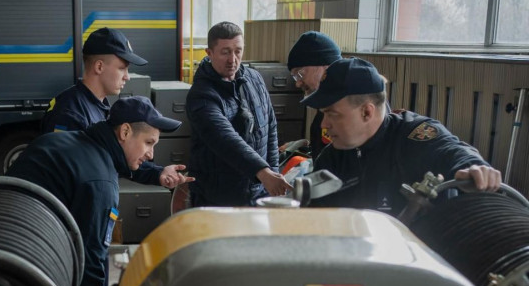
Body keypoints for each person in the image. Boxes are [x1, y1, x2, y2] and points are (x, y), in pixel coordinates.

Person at [8, 96, 187, 286]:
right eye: (148, 143)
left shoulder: (70, 142)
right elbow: (91, 260)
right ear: (125, 132)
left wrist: (156, 174)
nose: (151, 154)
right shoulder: (99, 181)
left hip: (5, 251)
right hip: (28, 272)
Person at [304, 57, 500, 215]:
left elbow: (453, 152)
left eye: (332, 114)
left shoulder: (414, 138)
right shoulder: (331, 160)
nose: (324, 124)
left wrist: (473, 168)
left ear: (367, 112)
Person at [41, 27, 188, 189]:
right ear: (99, 66)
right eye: (122, 68)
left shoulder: (97, 105)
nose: (127, 76)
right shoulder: (71, 113)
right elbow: (64, 179)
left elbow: (118, 156)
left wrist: (158, 173)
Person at [185, 21, 289, 207]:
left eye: (238, 51)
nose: (232, 59)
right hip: (218, 197)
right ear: (209, 53)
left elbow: (270, 127)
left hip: (258, 191)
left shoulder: (254, 79)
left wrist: (272, 173)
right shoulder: (201, 95)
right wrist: (264, 173)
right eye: (225, 52)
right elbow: (225, 139)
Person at [286, 31, 343, 156]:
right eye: (295, 77)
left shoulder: (347, 105)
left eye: (300, 74)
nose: (298, 83)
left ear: (325, 66)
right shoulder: (327, 103)